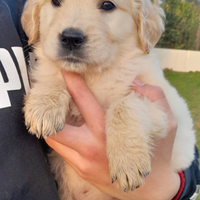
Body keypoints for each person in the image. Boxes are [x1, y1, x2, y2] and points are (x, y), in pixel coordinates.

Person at [0, 0, 199, 199]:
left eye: (107, 5)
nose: (72, 30)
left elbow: (173, 126)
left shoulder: (136, 67)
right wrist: (51, 90)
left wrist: (127, 121)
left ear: (142, 20)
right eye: (57, 2)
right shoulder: (45, 65)